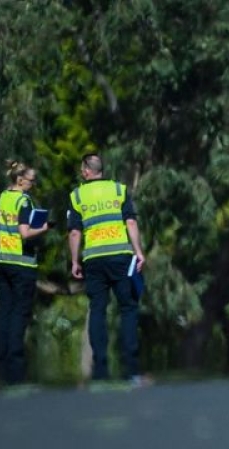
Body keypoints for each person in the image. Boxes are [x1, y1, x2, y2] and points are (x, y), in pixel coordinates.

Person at [68, 153, 146, 383]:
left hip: (94, 260)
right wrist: (139, 252)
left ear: (86, 171)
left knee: (98, 310)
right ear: (101, 169)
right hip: (121, 257)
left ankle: (100, 368)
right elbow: (130, 222)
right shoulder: (119, 190)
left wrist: (74, 260)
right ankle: (130, 368)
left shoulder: (77, 195)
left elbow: (74, 231)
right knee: (128, 309)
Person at [0, 161, 50, 384]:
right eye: (32, 180)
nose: (34, 185)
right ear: (20, 180)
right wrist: (45, 227)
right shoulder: (24, 201)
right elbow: (25, 233)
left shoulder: (3, 197)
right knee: (19, 314)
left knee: (4, 313)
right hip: (22, 264)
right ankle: (15, 366)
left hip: (4, 261)